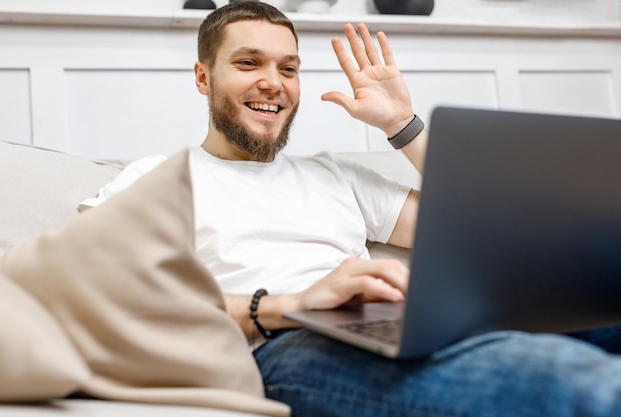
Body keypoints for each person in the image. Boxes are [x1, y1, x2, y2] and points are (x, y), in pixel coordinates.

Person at [86, 2, 621, 416]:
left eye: (289, 68)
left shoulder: (334, 175)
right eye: (249, 63)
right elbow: (98, 298)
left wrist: (401, 125)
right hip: (286, 347)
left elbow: (489, 228)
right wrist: (291, 303)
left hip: (393, 324)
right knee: (572, 384)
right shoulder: (155, 179)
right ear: (203, 77)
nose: (274, 82)